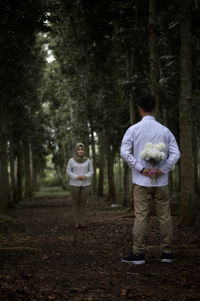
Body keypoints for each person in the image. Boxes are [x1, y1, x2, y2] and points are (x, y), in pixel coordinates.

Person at [120, 95, 180, 264]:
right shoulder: (164, 130)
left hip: (141, 181)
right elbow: (176, 153)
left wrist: (141, 168)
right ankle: (167, 252)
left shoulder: (133, 129)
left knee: (140, 217)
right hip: (161, 181)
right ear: (155, 109)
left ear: (139, 109)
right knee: (165, 216)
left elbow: (124, 152)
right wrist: (162, 170)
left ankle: (138, 253)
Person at [66, 142, 93, 229]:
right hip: (74, 184)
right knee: (76, 203)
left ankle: (82, 222)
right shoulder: (71, 160)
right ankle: (76, 222)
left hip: (86, 184)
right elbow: (68, 171)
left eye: (82, 149)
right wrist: (77, 177)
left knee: (83, 204)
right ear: (76, 150)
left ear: (84, 150)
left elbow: (91, 171)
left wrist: (85, 176)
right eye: (78, 149)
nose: (80, 151)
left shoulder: (88, 160)